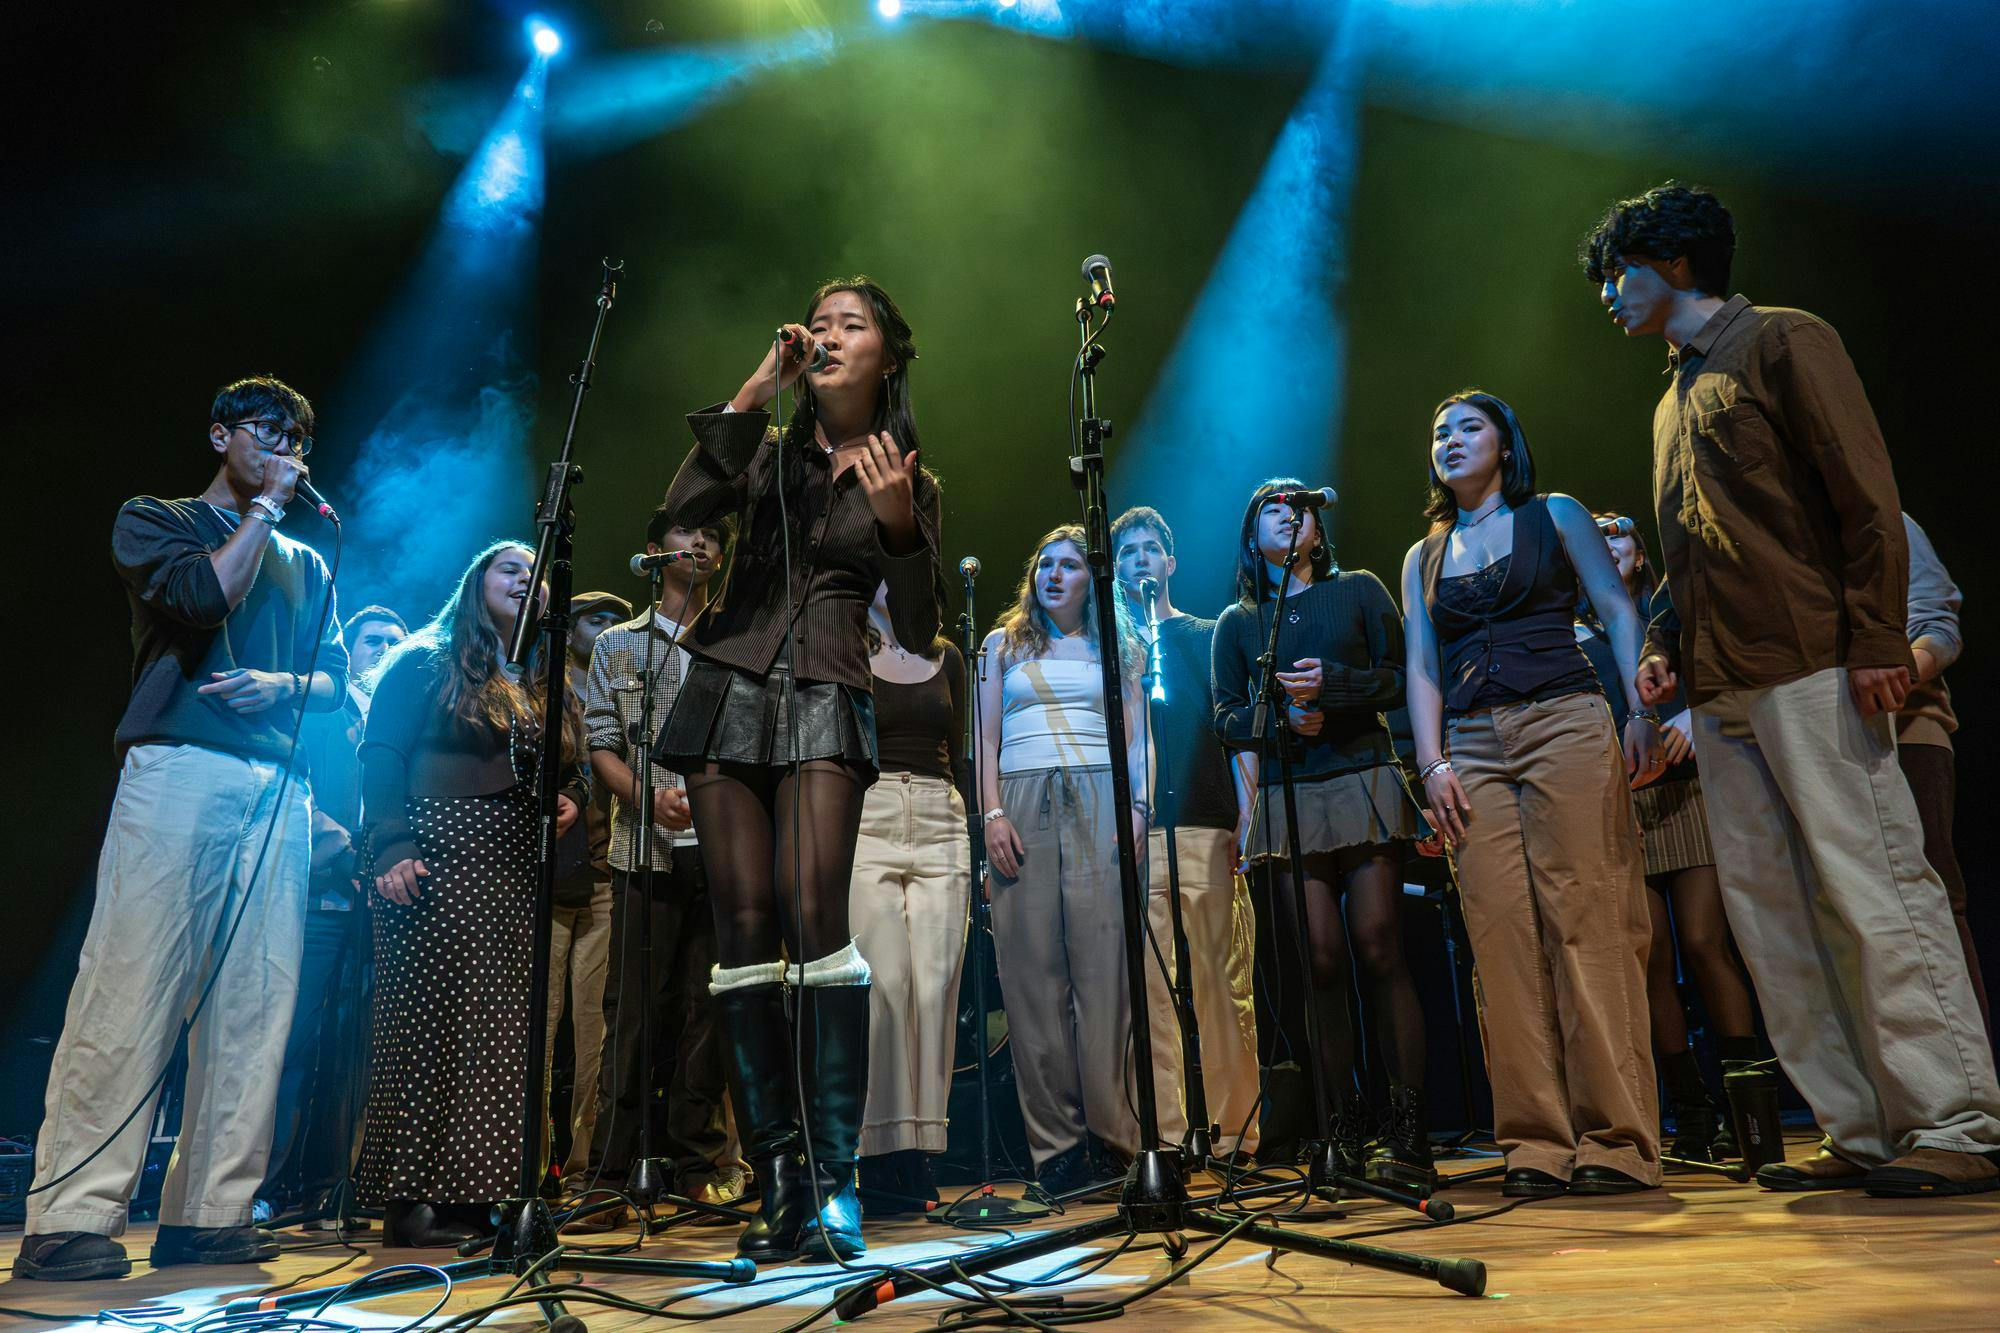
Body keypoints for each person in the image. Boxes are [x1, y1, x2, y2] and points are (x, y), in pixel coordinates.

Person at [1584, 182, 2000, 1195]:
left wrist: (1871, 640)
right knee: (1771, 915)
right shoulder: (1669, 396)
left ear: (1672, 263)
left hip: (1812, 662)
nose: (1605, 295)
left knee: (1874, 888)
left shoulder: (1780, 340)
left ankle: (1954, 1119)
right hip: (1722, 687)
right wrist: (1663, 644)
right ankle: (1856, 1126)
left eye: (1615, 273)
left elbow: (1863, 497)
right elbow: (1687, 550)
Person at [20, 376, 346, 1281]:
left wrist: (285, 687)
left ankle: (211, 1211)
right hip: (179, 766)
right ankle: (72, 1215)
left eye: (297, 435)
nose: (283, 445)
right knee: (134, 978)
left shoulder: (310, 565)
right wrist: (268, 512)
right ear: (219, 435)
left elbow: (338, 683)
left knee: (255, 1001)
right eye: (266, 429)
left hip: (278, 784)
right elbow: (201, 601)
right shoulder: (154, 519)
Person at [651, 277, 942, 1263]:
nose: (824, 335)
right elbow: (679, 513)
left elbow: (922, 626)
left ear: (885, 357)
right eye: (815, 324)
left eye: (846, 325)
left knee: (816, 922)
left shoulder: (905, 474)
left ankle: (833, 1180)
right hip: (727, 686)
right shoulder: (767, 451)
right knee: (741, 935)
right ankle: (775, 1178)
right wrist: (751, 391)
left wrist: (900, 524)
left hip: (825, 686)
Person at [1402, 390, 1663, 1198]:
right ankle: (1536, 1141)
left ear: (1505, 443)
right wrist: (1432, 763)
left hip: (1565, 718)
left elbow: (1617, 608)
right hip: (1472, 745)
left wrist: (1641, 711)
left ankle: (1616, 1139)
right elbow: (1421, 665)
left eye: (1468, 427)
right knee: (1502, 939)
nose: (1451, 440)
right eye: (1440, 431)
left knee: (1587, 917)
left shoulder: (1554, 512)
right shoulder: (1425, 554)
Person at [353, 541, 589, 1247]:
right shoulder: (423, 660)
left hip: (512, 868)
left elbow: (566, 762)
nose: (528, 579)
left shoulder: (542, 676)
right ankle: (411, 1198)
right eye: (509, 568)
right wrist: (390, 846)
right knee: (434, 1026)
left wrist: (572, 793)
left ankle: (480, 1192)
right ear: (474, 583)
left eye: (535, 572)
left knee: (502, 1036)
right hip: (437, 859)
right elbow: (380, 755)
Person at [1212, 482, 1430, 1186]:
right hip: (1287, 793)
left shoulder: (1360, 589)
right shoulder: (1238, 623)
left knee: (1378, 943)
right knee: (1321, 959)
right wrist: (1279, 718)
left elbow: (1399, 678)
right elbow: (1223, 717)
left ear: (1314, 524)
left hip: (1360, 774)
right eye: (1269, 506)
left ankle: (1408, 1128)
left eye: (1295, 504)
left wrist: (1332, 687)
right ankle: (1340, 1127)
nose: (1286, 510)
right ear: (1252, 537)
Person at [1577, 516, 1762, 1163]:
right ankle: (1691, 1110)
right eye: (1594, 535)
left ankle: (1751, 1105)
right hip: (1621, 803)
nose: (1608, 542)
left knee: (1708, 941)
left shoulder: (1670, 609)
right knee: (1650, 957)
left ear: (1639, 549)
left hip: (1688, 793)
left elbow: (1730, 677)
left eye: (1619, 531)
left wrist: (1690, 717)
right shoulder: (1573, 633)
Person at [978, 524, 1151, 1193]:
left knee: (1104, 975)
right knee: (1030, 978)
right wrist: (992, 813)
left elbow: (1137, 740)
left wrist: (1136, 809)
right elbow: (985, 738)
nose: (1054, 574)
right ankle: (1056, 1150)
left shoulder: (1120, 647)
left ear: (1091, 578)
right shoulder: (1001, 644)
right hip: (1020, 802)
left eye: (1070, 564)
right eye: (1044, 562)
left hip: (1098, 797)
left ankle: (1113, 1138)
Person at [583, 514, 735, 1223]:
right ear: (654, 551)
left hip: (728, 850)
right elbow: (602, 742)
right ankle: (611, 1173)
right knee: (638, 1011)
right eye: (686, 533)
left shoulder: (736, 638)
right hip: (645, 848)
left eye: (712, 536)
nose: (700, 545)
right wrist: (649, 798)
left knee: (711, 1013)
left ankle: (694, 1165)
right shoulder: (618, 643)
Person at [1112, 506, 1262, 1168]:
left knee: (1220, 987)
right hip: (1140, 840)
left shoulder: (1208, 633)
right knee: (1149, 994)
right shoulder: (1110, 649)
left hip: (1206, 824)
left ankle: (1236, 1135)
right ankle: (1168, 1139)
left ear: (1170, 562)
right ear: (1113, 568)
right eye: (1126, 551)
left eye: (1150, 548)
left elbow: (1238, 733)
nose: (1140, 558)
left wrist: (1247, 816)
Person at [257, 605, 408, 1226]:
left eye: (396, 642)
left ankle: (337, 1182)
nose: (384, 650)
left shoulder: (401, 717)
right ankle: (261, 1184)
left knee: (362, 1048)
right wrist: (348, 850)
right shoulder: (325, 712)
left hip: (380, 906)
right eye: (374, 640)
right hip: (318, 898)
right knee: (292, 1040)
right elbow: (298, 790)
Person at [851, 580, 969, 1215]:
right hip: (868, 812)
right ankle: (879, 1155)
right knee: (884, 985)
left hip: (940, 813)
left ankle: (921, 1151)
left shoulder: (946, 655)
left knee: (934, 985)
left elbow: (964, 748)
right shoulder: (842, 647)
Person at [542, 590, 629, 1191]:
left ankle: (583, 1168)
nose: (604, 630)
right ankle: (524, 1165)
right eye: (594, 619)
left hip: (603, 878)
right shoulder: (543, 685)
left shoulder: (621, 688)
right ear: (569, 628)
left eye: (614, 622)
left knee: (596, 1036)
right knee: (539, 1031)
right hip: (548, 881)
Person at [1897, 513, 1987, 1034]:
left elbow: (1937, 625)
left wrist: (1894, 674)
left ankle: (1972, 1072)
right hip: (1821, 739)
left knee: (1932, 900)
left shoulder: (1887, 518)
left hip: (1908, 728)